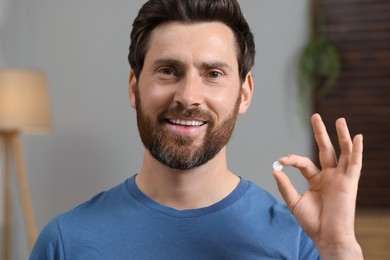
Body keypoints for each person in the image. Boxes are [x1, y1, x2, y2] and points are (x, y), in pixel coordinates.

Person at [30, 0, 364, 259]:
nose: (189, 97)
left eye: (213, 74)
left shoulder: (299, 241)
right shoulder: (66, 242)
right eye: (168, 70)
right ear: (134, 87)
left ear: (244, 93)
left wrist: (339, 250)